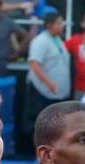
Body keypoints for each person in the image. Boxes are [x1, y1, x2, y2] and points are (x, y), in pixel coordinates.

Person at [24, 11, 69, 149]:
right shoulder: (40, 41)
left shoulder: (57, 39)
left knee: (56, 125)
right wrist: (48, 83)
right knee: (43, 124)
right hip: (42, 91)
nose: (63, 26)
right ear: (50, 25)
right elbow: (34, 64)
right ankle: (40, 153)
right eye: (59, 23)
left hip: (56, 94)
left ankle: (53, 152)